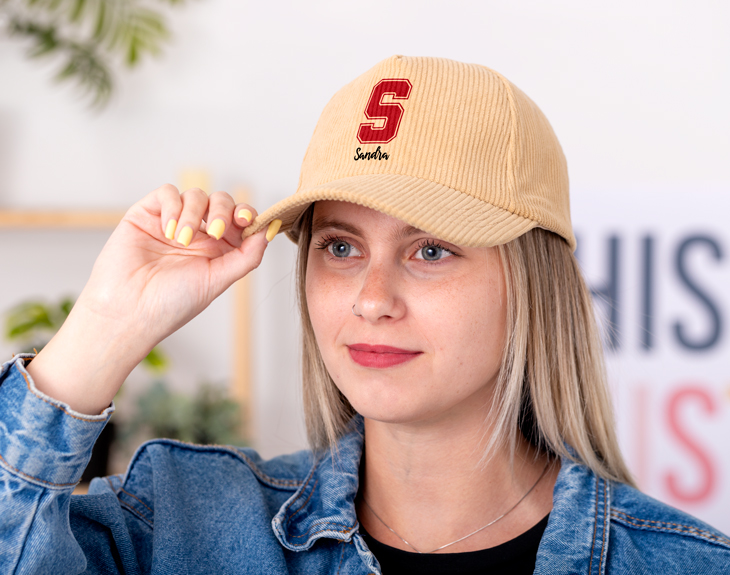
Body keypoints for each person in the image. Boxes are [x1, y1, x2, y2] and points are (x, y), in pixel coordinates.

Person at [1, 55, 728, 575]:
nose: (372, 299)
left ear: (533, 285)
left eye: (431, 250)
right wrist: (104, 326)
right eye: (341, 247)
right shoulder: (179, 526)